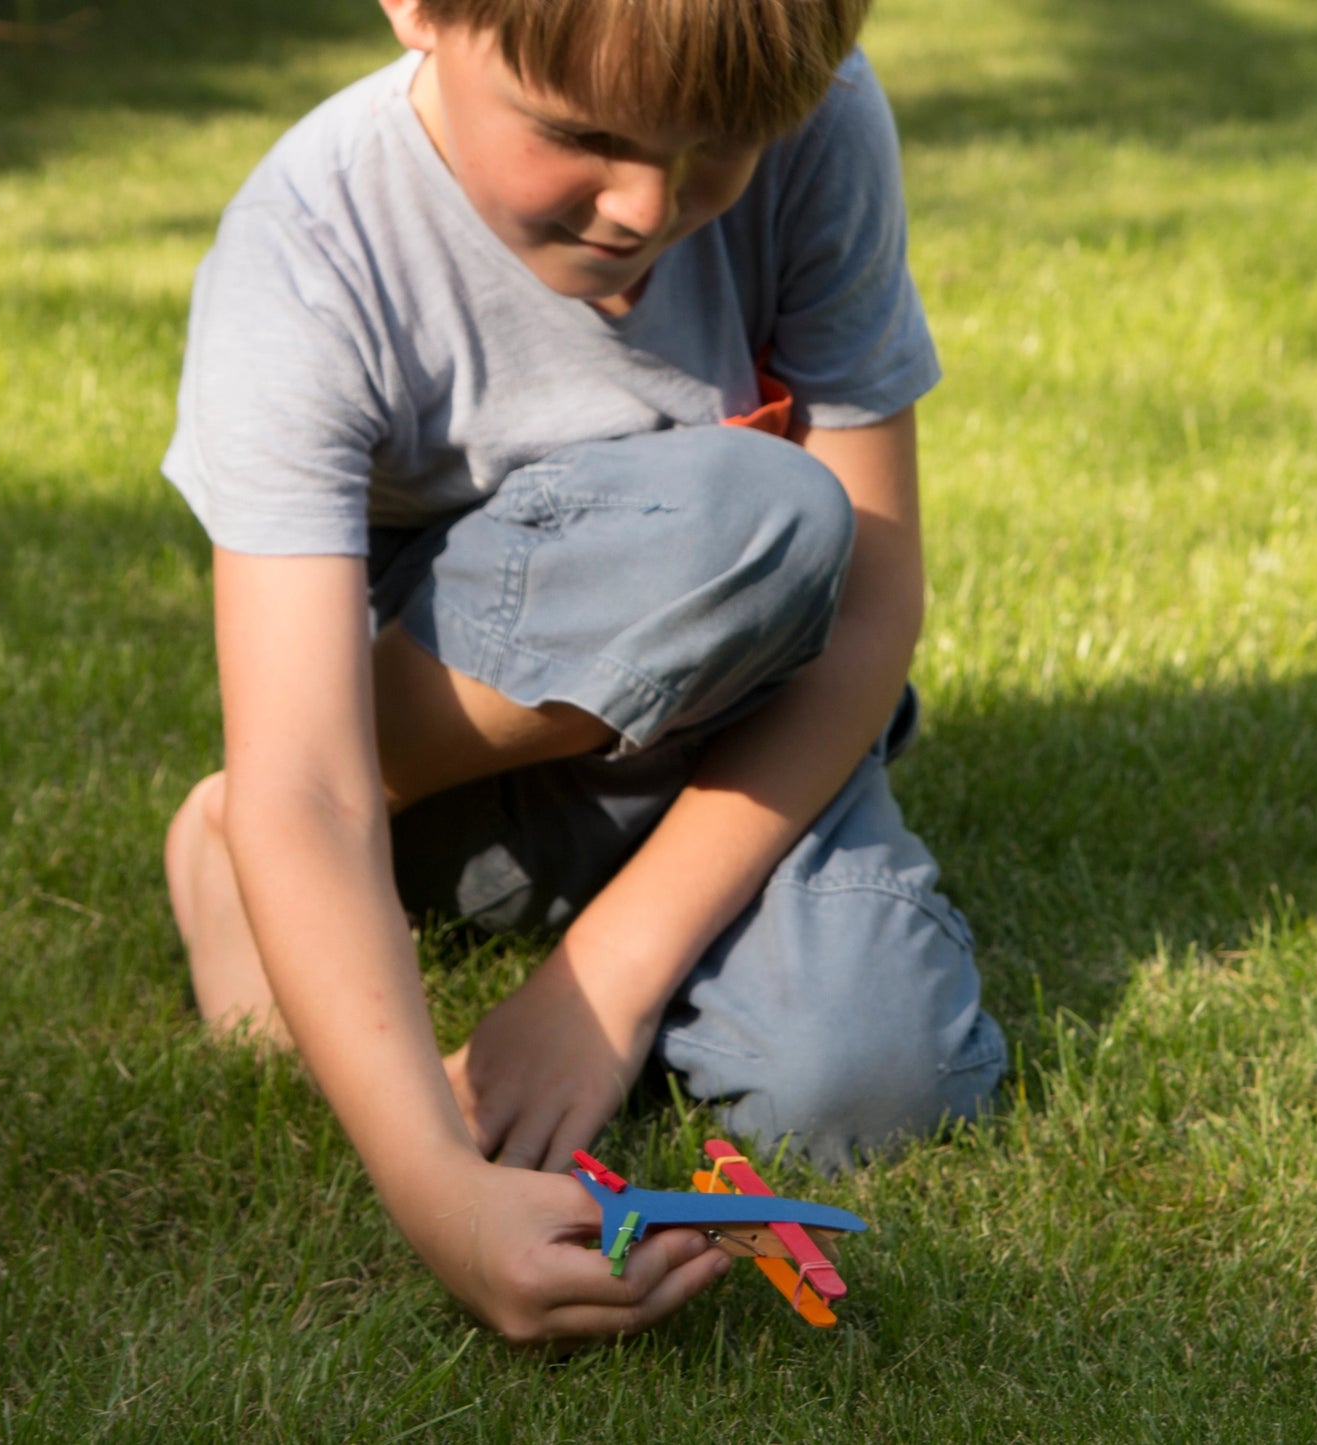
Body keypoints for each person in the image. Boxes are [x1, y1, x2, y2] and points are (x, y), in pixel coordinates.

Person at [161, 0, 1007, 1344]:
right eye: (584, 134)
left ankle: (593, 902)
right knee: (762, 514)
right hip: (427, 773)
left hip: (728, 729)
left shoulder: (821, 117)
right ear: (421, 11)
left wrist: (608, 973)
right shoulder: (311, 248)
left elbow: (868, 613)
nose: (646, 205)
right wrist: (442, 1192)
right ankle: (231, 838)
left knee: (870, 1079)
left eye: (717, 147)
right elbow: (311, 780)